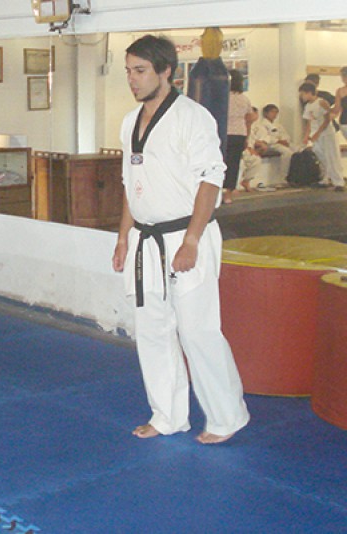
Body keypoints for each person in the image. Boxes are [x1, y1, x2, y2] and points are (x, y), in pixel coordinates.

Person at [112, 35, 250, 445]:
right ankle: (168, 415)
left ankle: (226, 416)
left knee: (197, 331)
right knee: (153, 330)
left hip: (188, 235)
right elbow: (130, 183)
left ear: (166, 71)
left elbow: (211, 179)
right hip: (145, 239)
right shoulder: (129, 122)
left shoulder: (193, 117)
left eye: (140, 71)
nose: (132, 79)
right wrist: (123, 237)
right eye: (128, 71)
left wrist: (191, 241)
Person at [300, 81, 346, 192]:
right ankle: (325, 178)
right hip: (316, 134)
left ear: (309, 93)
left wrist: (318, 133)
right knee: (321, 155)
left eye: (303, 94)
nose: (302, 97)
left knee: (332, 156)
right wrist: (307, 136)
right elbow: (309, 123)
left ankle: (339, 182)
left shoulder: (321, 102)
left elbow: (327, 119)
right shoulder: (308, 106)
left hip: (327, 133)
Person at [223, 69, 252, 203]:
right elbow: (249, 119)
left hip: (224, 134)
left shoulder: (223, 97)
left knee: (219, 163)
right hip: (240, 134)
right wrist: (247, 137)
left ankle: (217, 192)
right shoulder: (244, 99)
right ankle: (228, 194)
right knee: (233, 165)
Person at [252, 104, 294, 183]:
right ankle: (283, 177)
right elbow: (264, 138)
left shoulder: (278, 125)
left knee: (298, 149)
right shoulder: (261, 125)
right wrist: (278, 141)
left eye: (276, 112)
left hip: (281, 144)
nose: (274, 114)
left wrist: (285, 141)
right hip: (271, 145)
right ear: (266, 113)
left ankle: (296, 176)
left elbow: (285, 135)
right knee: (287, 152)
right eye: (272, 112)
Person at [239, 107, 266, 192]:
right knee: (240, 164)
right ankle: (233, 187)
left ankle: (246, 181)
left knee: (257, 160)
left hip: (249, 150)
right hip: (240, 149)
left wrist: (257, 148)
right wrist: (248, 148)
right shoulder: (240, 124)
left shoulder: (253, 126)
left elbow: (252, 140)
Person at [333, 66, 347, 140]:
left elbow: (336, 110)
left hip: (344, 121)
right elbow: (337, 109)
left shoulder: (340, 91)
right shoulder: (339, 91)